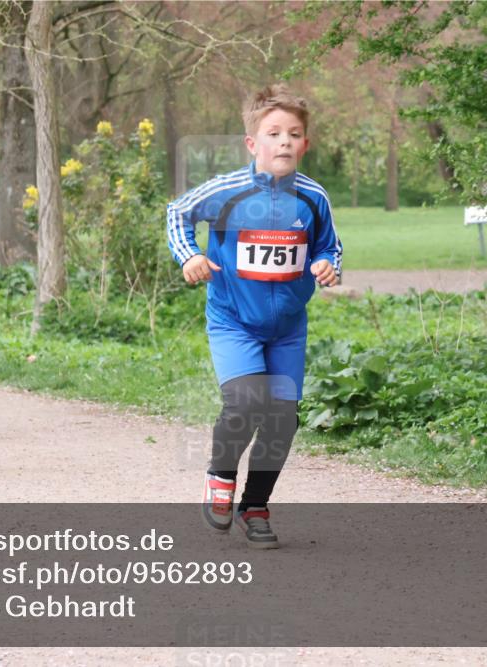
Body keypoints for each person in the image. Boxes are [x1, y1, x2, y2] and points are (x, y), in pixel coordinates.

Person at [166, 84, 342, 548]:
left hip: (287, 329)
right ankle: (220, 478)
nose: (284, 142)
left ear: (305, 144)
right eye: (274, 133)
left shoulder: (314, 197)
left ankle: (255, 506)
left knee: (282, 418)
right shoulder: (226, 191)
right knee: (245, 403)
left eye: (294, 134)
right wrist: (189, 255)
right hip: (234, 320)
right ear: (252, 143)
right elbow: (178, 212)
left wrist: (328, 264)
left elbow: (329, 245)